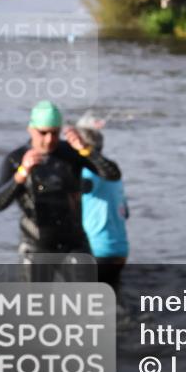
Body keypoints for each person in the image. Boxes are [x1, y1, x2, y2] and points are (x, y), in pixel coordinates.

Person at [0, 101, 122, 275]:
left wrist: (86, 150)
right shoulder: (16, 159)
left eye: (55, 133)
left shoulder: (71, 152)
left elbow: (113, 175)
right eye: (43, 133)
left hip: (74, 245)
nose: (49, 139)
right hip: (35, 247)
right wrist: (22, 173)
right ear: (31, 129)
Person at [75, 121, 129, 291]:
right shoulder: (114, 175)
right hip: (120, 249)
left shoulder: (87, 173)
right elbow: (125, 213)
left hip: (97, 251)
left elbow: (83, 187)